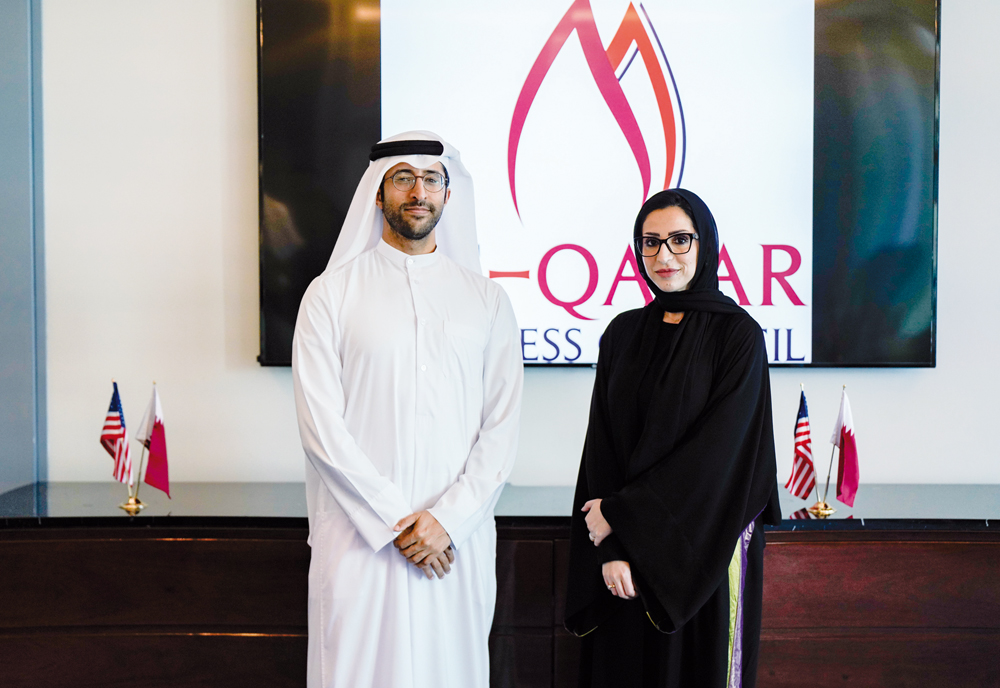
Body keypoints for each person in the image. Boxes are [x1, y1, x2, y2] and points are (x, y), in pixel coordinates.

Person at [292, 131, 523, 688]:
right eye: (403, 178)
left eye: (431, 179)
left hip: (454, 544)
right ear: (378, 194)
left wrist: (445, 521)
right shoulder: (330, 295)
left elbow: (502, 428)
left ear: (447, 194)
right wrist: (397, 522)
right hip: (359, 542)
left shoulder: (488, 301)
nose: (418, 191)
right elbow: (321, 429)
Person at [564, 189, 781, 688]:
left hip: (701, 553)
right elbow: (602, 446)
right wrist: (612, 545)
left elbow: (720, 458)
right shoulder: (622, 333)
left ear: (705, 245)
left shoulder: (738, 336)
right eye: (651, 242)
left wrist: (622, 517)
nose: (664, 256)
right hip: (621, 564)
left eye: (680, 240)